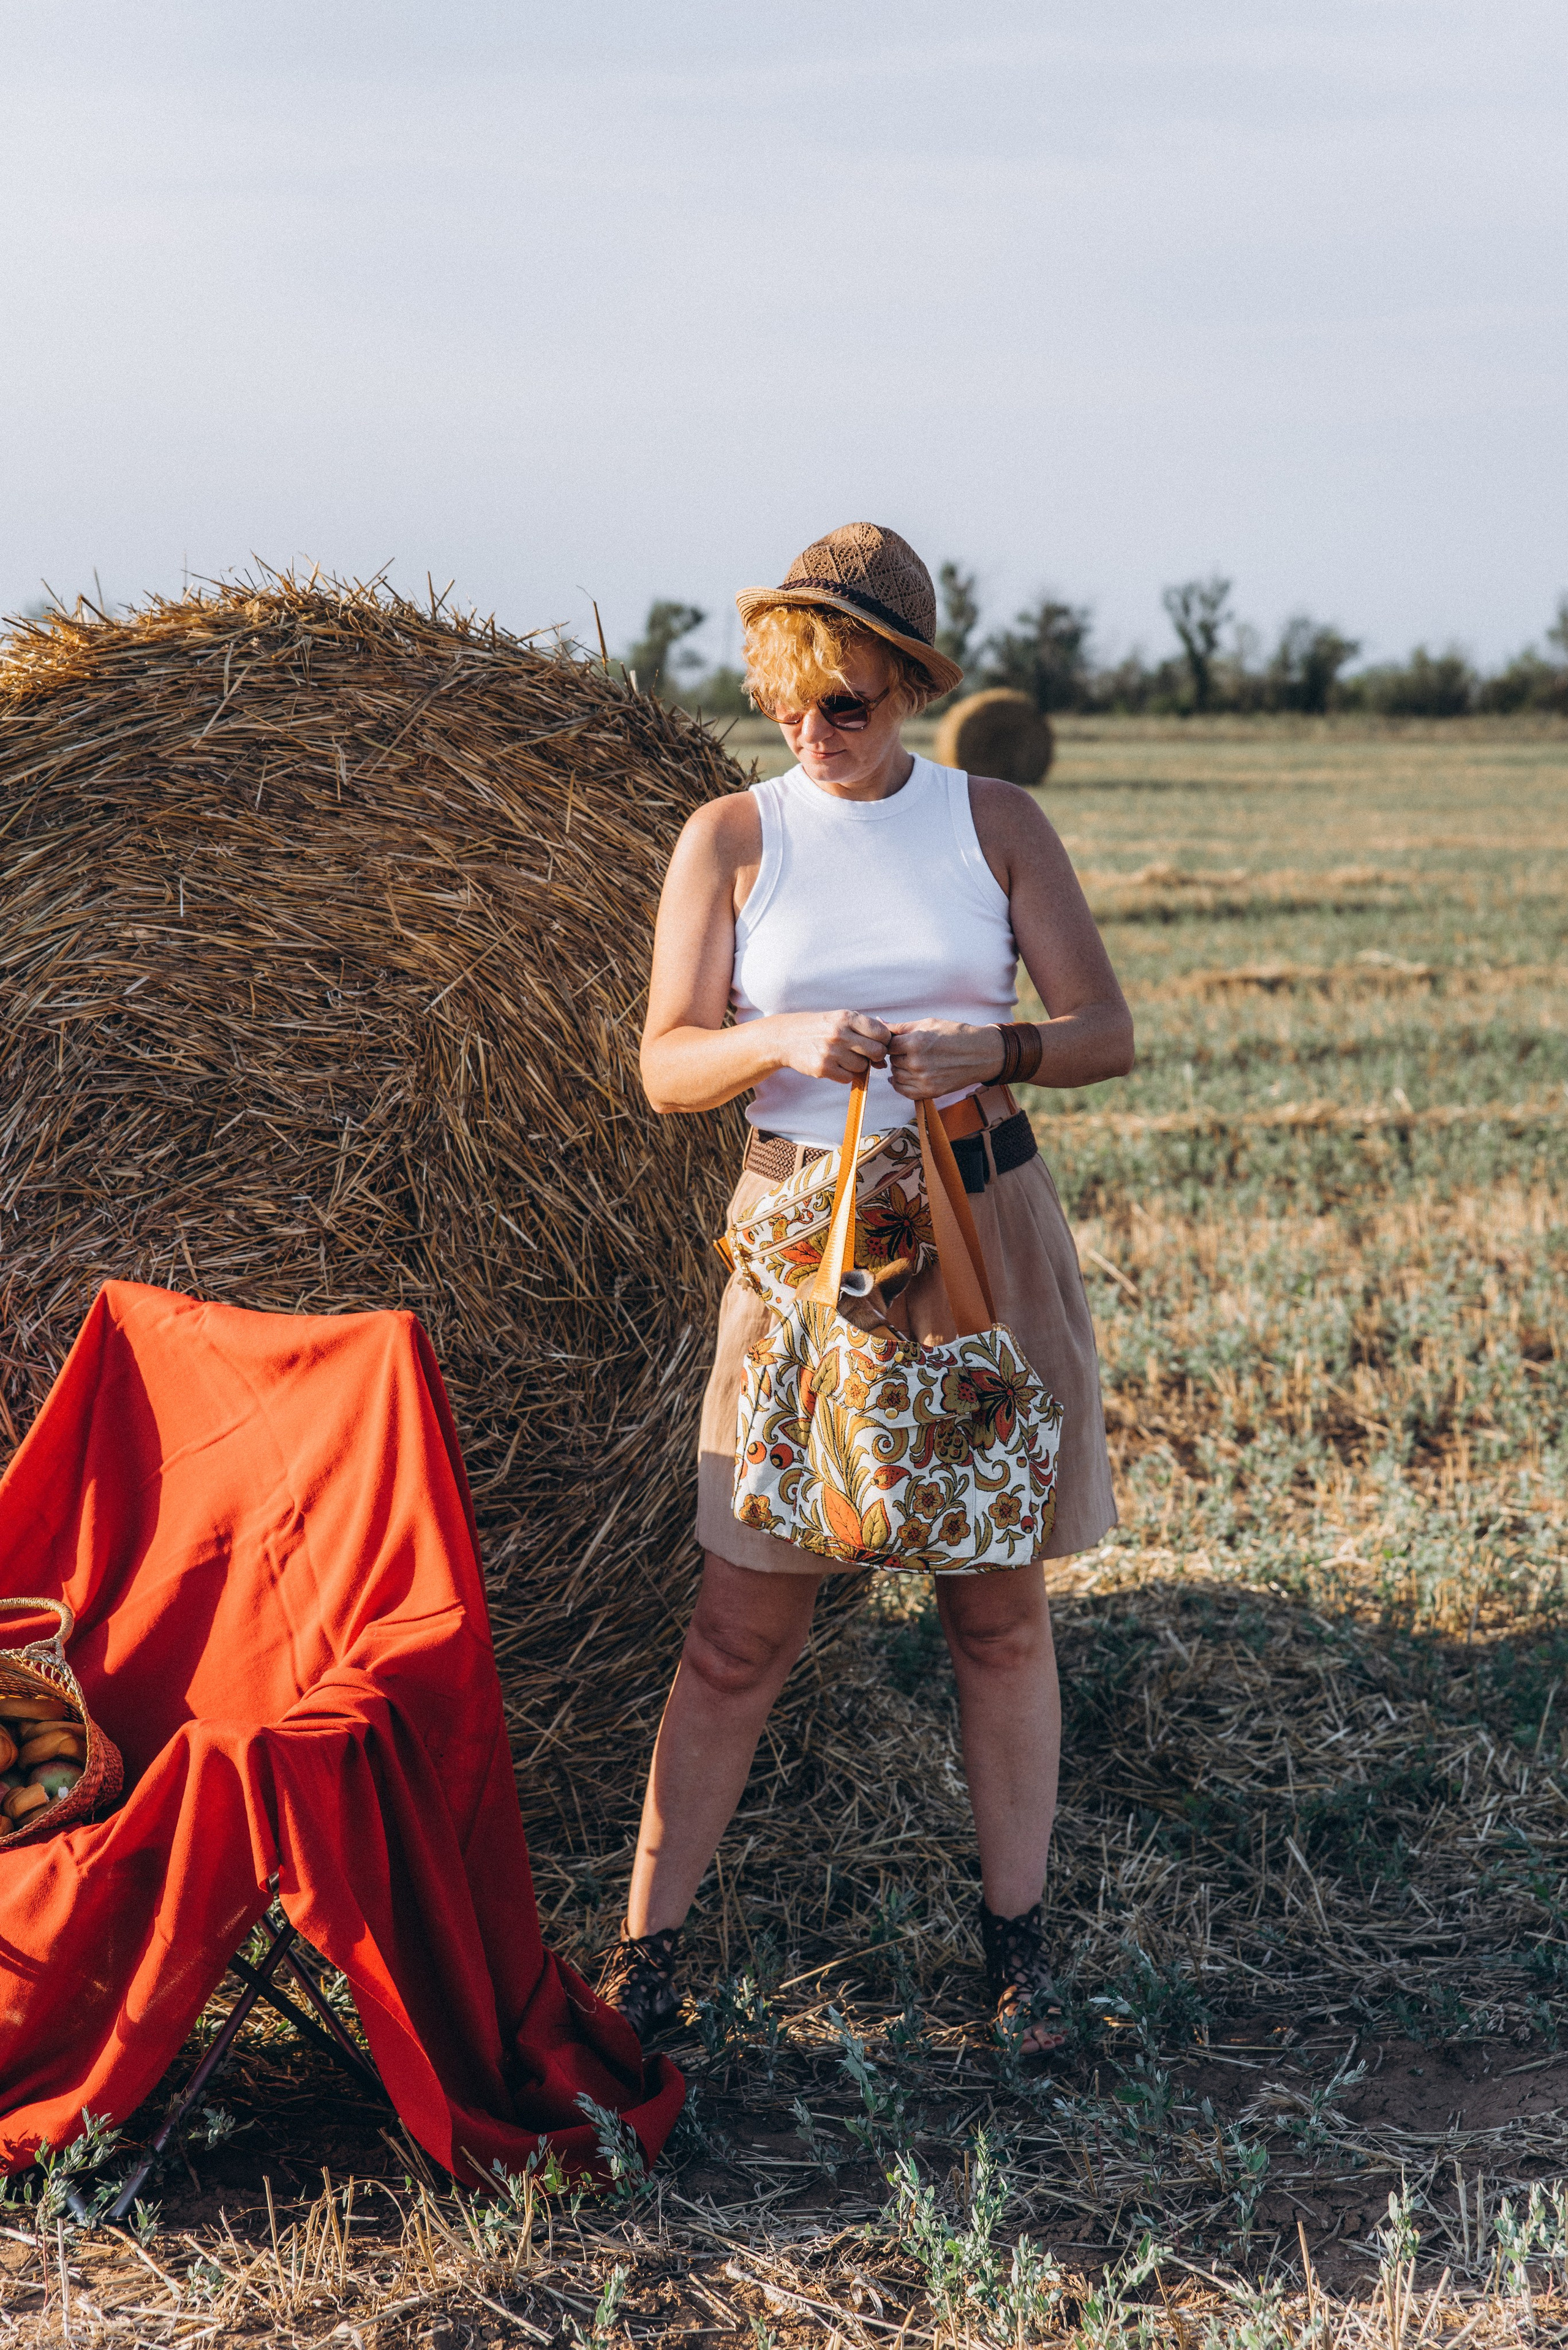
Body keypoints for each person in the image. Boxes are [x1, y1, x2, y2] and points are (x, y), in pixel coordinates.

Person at [601, 523, 1134, 2055]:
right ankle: (648, 1957)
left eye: (843, 701)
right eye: (789, 700)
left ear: (901, 683)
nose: (812, 731)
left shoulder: (996, 819)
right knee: (736, 1628)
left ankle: (1016, 1954)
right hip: (799, 1242)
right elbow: (662, 1063)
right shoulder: (729, 836)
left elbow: (1104, 1026)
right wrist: (779, 1038)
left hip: (978, 1227)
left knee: (996, 1614)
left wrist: (1001, 1048)